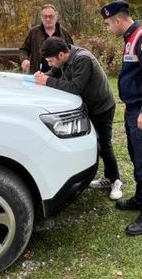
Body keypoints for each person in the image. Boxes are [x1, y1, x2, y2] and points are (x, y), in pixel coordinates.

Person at [101, 0, 142, 236]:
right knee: (136, 156)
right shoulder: (130, 38)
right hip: (133, 109)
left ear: (118, 20)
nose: (108, 28)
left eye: (108, 24)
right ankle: (140, 198)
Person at [35, 37, 123, 201]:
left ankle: (115, 180)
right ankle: (107, 177)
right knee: (94, 144)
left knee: (104, 144)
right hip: (88, 107)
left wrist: (47, 81)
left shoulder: (83, 59)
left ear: (61, 54)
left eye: (51, 60)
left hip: (102, 107)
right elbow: (54, 72)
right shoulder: (65, 58)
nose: (50, 64)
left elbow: (75, 87)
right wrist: (44, 75)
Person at [19, 4, 74, 74]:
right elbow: (24, 49)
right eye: (45, 16)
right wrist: (24, 59)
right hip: (38, 74)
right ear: (41, 17)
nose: (48, 19)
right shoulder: (33, 32)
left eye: (51, 16)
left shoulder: (64, 33)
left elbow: (71, 52)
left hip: (60, 76)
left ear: (56, 16)